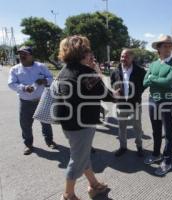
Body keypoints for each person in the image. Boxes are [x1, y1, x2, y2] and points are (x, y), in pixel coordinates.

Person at [56, 35, 115, 200]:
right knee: (77, 159)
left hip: (68, 122)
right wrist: (98, 73)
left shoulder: (65, 70)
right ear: (81, 52)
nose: (91, 54)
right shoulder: (87, 73)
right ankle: (68, 195)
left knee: (82, 154)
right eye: (88, 50)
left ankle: (94, 184)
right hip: (82, 123)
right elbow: (106, 95)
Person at [8, 46, 57, 155]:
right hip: (25, 102)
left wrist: (44, 80)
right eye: (20, 54)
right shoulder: (15, 69)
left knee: (46, 122)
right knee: (25, 124)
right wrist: (24, 88)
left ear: (31, 55)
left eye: (25, 54)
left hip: (42, 100)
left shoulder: (41, 67)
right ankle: (28, 144)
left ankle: (49, 141)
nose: (22, 56)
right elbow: (11, 84)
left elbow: (51, 78)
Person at [143, 35, 172, 176]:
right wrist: (154, 79)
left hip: (167, 101)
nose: (168, 48)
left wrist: (152, 78)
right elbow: (144, 82)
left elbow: (169, 82)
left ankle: (167, 161)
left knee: (169, 133)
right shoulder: (153, 64)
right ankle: (156, 153)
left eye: (169, 46)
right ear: (158, 48)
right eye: (164, 45)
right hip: (153, 101)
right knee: (156, 130)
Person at [110, 48, 146, 157]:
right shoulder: (115, 71)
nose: (123, 58)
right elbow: (112, 83)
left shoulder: (140, 71)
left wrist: (136, 93)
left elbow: (144, 85)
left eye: (126, 56)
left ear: (132, 58)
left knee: (137, 127)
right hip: (121, 104)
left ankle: (139, 146)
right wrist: (116, 89)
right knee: (121, 127)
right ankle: (123, 147)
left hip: (135, 104)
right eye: (122, 56)